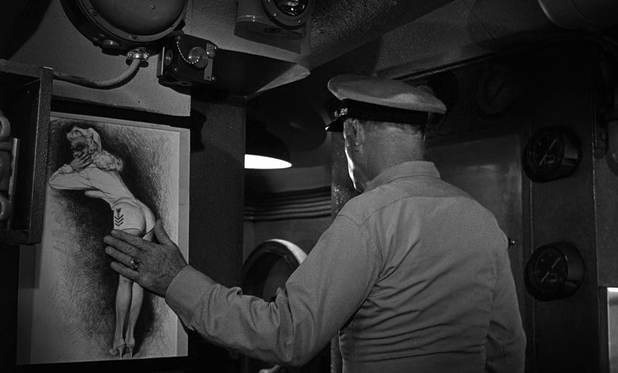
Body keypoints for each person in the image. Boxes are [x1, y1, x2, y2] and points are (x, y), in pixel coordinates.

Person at [103, 74, 526, 372]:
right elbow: (507, 350)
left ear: (355, 134)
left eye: (344, 141)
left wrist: (176, 279)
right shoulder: (482, 220)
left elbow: (287, 335)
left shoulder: (369, 216)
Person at [49, 126, 155, 359]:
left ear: (88, 146)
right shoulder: (104, 161)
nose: (74, 152)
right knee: (137, 281)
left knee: (125, 280)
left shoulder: (85, 171)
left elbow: (55, 182)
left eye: (78, 147)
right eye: (72, 148)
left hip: (126, 214)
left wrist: (70, 167)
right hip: (144, 213)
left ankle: (118, 339)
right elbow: (103, 188)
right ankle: (130, 339)